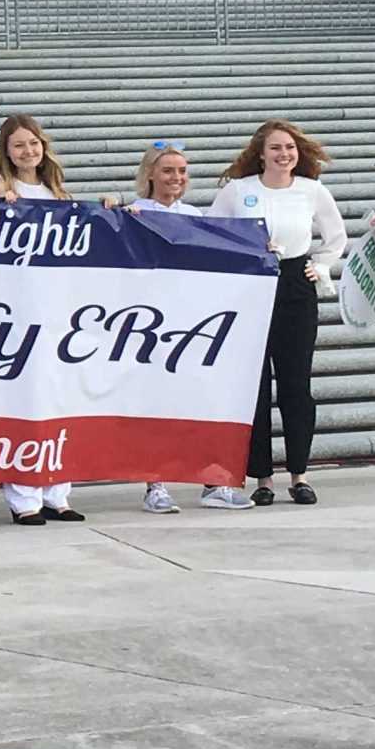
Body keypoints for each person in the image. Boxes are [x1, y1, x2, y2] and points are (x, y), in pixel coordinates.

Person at [210, 118, 346, 506]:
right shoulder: (239, 190)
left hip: (295, 286)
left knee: (296, 384)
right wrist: (245, 247)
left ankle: (299, 474)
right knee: (255, 387)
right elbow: (212, 232)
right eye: (275, 148)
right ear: (261, 153)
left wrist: (320, 266)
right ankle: (262, 477)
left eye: (289, 147)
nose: (284, 154)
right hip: (252, 285)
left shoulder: (311, 190)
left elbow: (336, 238)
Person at [118, 140, 246, 512]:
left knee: (198, 402)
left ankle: (211, 480)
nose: (177, 177)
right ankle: (155, 484)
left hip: (191, 322)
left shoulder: (197, 215)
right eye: (169, 170)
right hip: (148, 325)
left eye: (183, 171)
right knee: (154, 405)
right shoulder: (133, 213)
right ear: (151, 174)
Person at [0, 115, 83, 523]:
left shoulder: (57, 189)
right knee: (23, 402)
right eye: (18, 145)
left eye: (32, 144)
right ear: (7, 150)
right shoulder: (1, 186)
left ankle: (58, 492)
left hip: (56, 309)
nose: (27, 152)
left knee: (58, 401)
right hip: (17, 307)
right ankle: (24, 498)